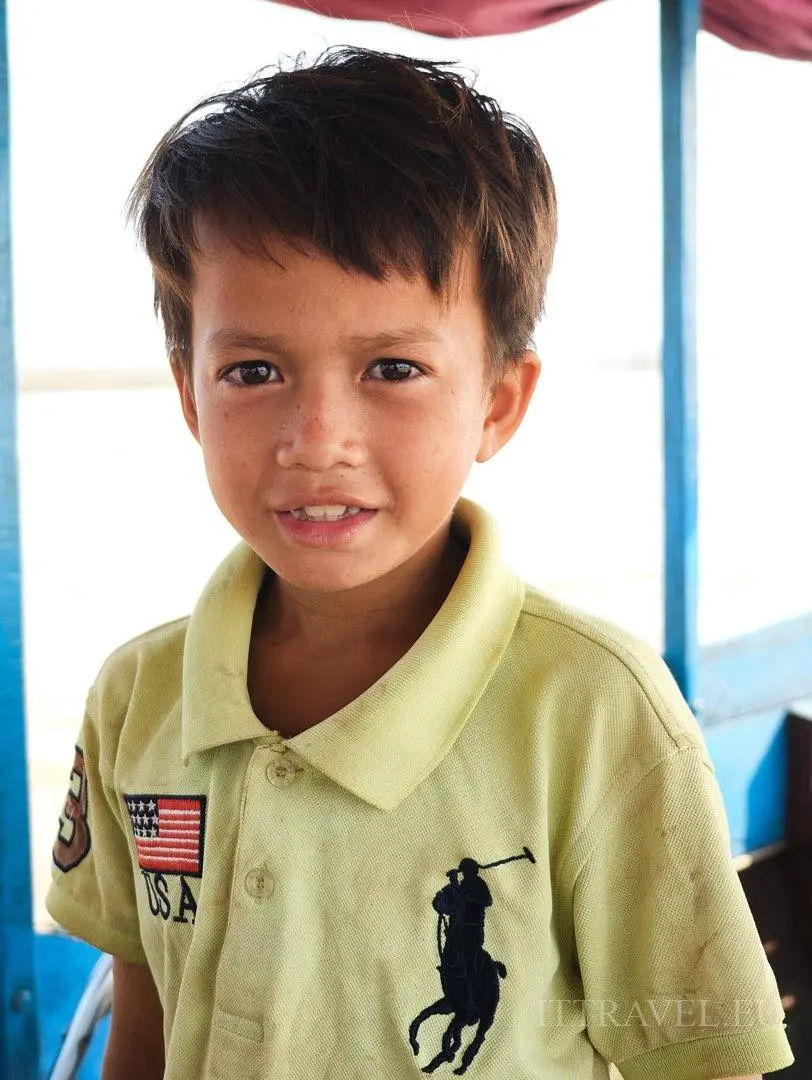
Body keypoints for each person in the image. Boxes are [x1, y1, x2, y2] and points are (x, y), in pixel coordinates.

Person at [45, 46, 793, 1080]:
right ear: (188, 394)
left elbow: (706, 1062)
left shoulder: (595, 715)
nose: (317, 437)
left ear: (496, 400)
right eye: (252, 370)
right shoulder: (137, 699)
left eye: (391, 368)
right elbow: (147, 1028)